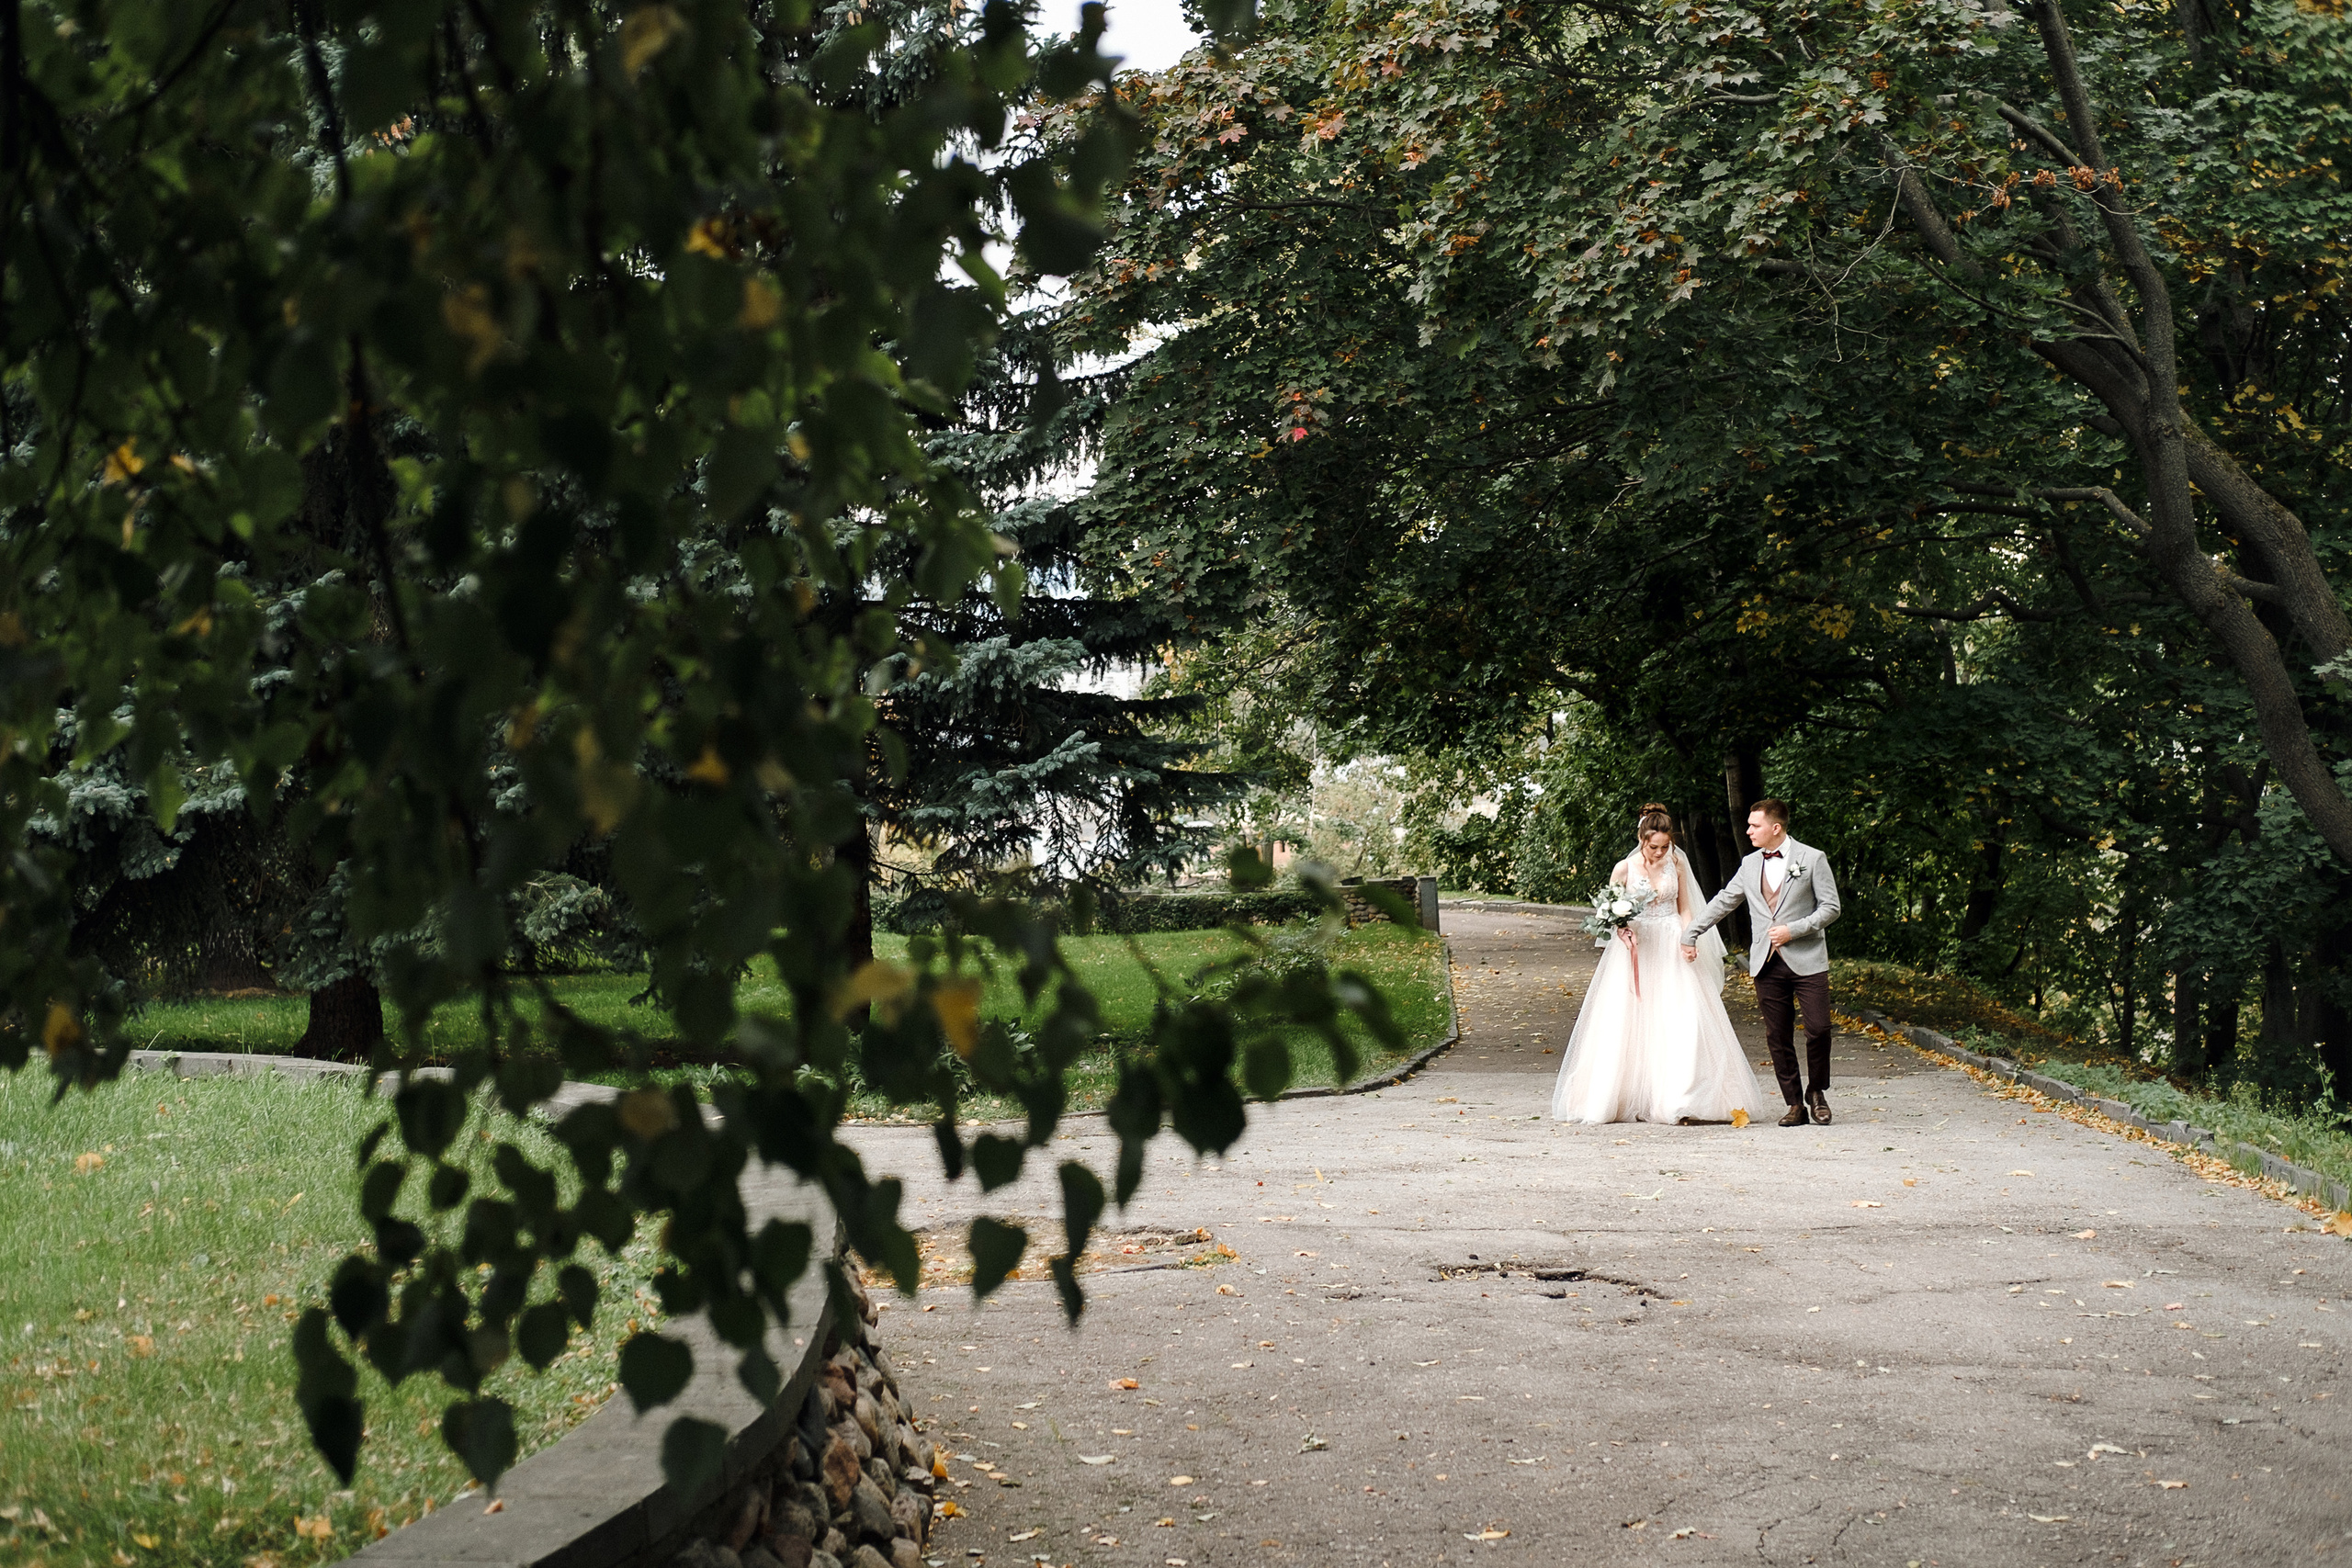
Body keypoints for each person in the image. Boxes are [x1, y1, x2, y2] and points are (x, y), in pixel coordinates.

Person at [1549, 807, 1774, 1125]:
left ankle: (1683, 1097)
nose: (1658, 852)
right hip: (1636, 950)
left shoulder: (1677, 863)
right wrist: (1622, 929)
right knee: (1627, 1021)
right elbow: (1609, 914)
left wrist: (1689, 938)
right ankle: (1619, 1095)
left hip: (1671, 943)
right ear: (1641, 839)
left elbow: (1684, 908)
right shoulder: (1624, 869)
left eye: (1664, 847)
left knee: (1683, 1017)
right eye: (1653, 846)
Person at [1680, 798, 1844, 1126]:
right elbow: (1725, 900)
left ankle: (1817, 1091)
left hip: (1808, 959)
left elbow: (1831, 908)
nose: (1749, 830)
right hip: (1766, 963)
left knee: (1819, 1029)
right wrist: (1691, 932)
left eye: (1755, 825)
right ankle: (1795, 1104)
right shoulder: (1750, 863)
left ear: (1776, 828)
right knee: (1778, 1035)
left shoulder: (1812, 859)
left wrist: (1793, 930)